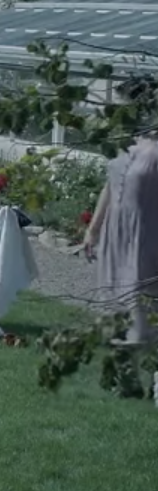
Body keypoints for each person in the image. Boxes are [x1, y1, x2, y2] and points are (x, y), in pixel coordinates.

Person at [83, 133, 158, 346]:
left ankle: (141, 343)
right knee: (114, 282)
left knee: (141, 289)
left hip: (147, 233)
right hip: (116, 230)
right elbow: (109, 185)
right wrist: (93, 229)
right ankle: (117, 337)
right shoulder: (125, 140)